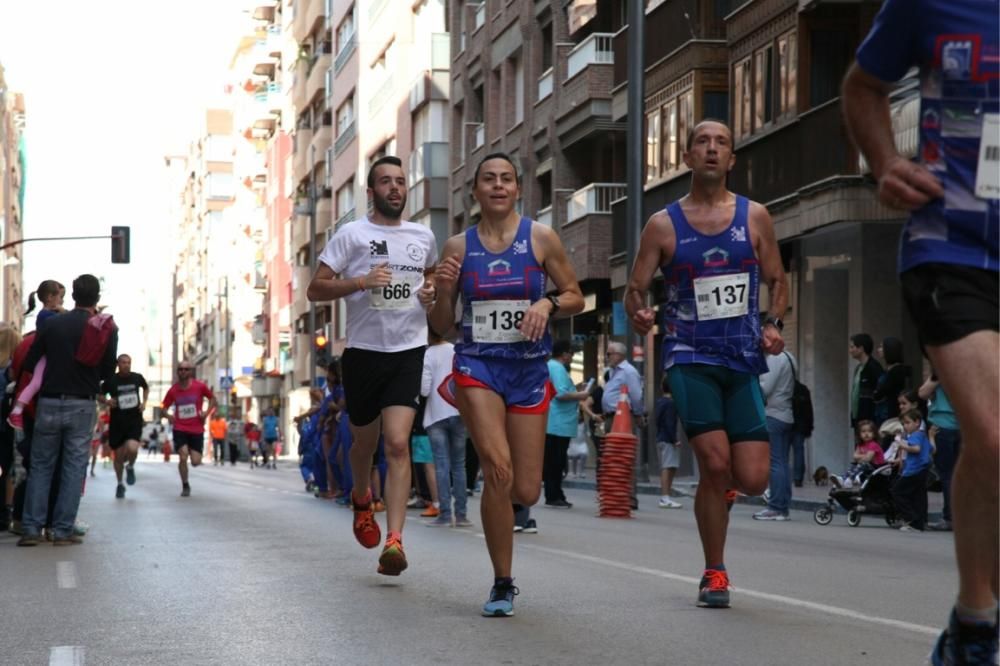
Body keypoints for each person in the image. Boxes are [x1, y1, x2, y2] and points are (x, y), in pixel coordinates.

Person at [844, 4, 998, 656]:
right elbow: (862, 86)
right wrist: (883, 162)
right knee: (994, 435)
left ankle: (972, 617)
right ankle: (978, 619)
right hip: (953, 250)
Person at [625, 119, 787, 608]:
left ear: (732, 159)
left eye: (722, 143)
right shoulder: (663, 224)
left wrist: (774, 321)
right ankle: (714, 572)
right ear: (688, 157)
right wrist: (641, 312)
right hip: (688, 355)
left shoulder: (755, 217)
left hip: (741, 357)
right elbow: (635, 287)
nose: (712, 149)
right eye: (702, 142)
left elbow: (778, 279)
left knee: (753, 478)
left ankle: (721, 493)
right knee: (715, 464)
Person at [429, 152, 583, 616]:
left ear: (518, 189)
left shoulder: (540, 238)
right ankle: (502, 582)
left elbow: (576, 294)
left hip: (529, 371)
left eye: (507, 179)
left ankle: (509, 516)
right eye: (488, 179)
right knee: (498, 469)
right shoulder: (456, 248)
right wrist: (439, 289)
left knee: (526, 490)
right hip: (478, 366)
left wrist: (548, 305)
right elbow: (441, 324)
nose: (498, 185)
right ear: (474, 192)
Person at [306, 155, 438, 577]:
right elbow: (315, 289)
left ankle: (395, 540)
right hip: (363, 352)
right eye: (386, 182)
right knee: (364, 443)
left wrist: (431, 295)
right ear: (371, 190)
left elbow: (429, 281)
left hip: (408, 350)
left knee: (398, 443)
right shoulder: (353, 235)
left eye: (400, 181)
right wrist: (361, 282)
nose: (395, 188)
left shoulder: (423, 236)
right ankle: (362, 497)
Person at [18, 274, 117, 546]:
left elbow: (29, 362)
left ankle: (31, 529)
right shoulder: (105, 327)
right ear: (96, 298)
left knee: (41, 466)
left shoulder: (54, 325)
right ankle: (62, 531)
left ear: (72, 295)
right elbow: (109, 372)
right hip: (82, 403)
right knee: (74, 467)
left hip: (49, 401)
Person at [421, 329, 471, 528]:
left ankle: (444, 514)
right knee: (459, 465)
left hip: (435, 416)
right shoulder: (456, 350)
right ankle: (461, 515)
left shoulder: (428, 354)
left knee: (442, 465)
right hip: (458, 413)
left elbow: (424, 389)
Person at [7, 280, 65, 431]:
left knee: (37, 382)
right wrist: (65, 312)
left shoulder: (49, 314)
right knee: (36, 383)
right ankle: (17, 410)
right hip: (43, 356)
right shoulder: (45, 315)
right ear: (50, 298)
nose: (61, 301)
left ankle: (18, 410)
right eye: (60, 297)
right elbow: (59, 324)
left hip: (46, 355)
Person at [753, 350, 801, 521]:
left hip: (774, 414)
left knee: (776, 462)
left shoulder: (775, 358)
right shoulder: (789, 356)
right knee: (781, 462)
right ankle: (782, 505)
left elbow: (765, 388)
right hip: (786, 414)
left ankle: (776, 507)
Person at [543, 340, 590, 509]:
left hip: (558, 421)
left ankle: (556, 494)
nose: (572, 356)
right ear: (564, 354)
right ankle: (553, 495)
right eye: (571, 353)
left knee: (555, 460)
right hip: (557, 422)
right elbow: (561, 393)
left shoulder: (554, 367)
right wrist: (580, 395)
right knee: (555, 461)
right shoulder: (556, 367)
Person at [161, 362, 216, 497]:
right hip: (180, 428)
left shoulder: (200, 386)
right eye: (180, 369)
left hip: (196, 429)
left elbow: (213, 399)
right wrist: (168, 416)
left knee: (196, 462)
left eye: (186, 369)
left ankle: (193, 451)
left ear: (190, 372)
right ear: (177, 372)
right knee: (183, 456)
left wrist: (206, 413)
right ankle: (185, 485)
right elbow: (163, 407)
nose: (183, 371)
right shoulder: (173, 390)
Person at [99, 354, 148, 499]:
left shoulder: (137, 377)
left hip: (134, 420)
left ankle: (131, 466)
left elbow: (145, 388)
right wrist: (107, 401)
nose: (126, 365)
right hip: (117, 422)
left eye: (129, 363)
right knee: (118, 457)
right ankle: (120, 484)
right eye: (123, 363)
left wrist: (144, 403)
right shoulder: (111, 380)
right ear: (118, 364)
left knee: (133, 447)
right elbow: (99, 394)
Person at [919, 373, 960, 532]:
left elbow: (922, 393)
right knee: (958, 474)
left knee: (947, 474)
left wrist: (936, 376)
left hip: (941, 426)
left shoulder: (942, 372)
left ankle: (949, 517)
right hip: (960, 426)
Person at [891, 409, 933, 532]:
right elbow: (932, 449)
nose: (905, 426)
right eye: (904, 423)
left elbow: (916, 449)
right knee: (917, 496)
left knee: (897, 492)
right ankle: (918, 523)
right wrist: (932, 436)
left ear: (917, 422)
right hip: (923, 469)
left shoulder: (915, 436)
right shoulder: (922, 436)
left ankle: (911, 518)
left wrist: (900, 443)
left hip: (913, 470)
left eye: (908, 423)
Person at [830, 420, 886, 489]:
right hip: (866, 465)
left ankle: (850, 479)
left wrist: (860, 457)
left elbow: (868, 459)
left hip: (877, 468)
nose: (866, 434)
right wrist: (863, 457)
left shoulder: (873, 445)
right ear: (859, 434)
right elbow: (854, 456)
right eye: (863, 431)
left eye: (869, 431)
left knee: (862, 464)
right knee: (853, 465)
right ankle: (843, 479)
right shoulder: (860, 445)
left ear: (874, 434)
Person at [655, 376, 682, 509]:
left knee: (669, 466)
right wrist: (675, 439)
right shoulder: (671, 403)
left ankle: (666, 496)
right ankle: (665, 497)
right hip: (667, 439)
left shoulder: (660, 402)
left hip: (661, 438)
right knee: (668, 467)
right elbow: (669, 423)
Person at [873, 337, 910, 426]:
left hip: (890, 411)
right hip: (882, 410)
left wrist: (876, 393)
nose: (879, 350)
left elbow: (884, 390)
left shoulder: (897, 371)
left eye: (882, 347)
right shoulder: (889, 370)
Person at [848, 333, 883, 427]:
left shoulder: (874, 368)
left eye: (852, 347)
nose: (850, 350)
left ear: (861, 348)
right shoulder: (858, 368)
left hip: (869, 419)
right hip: (858, 418)